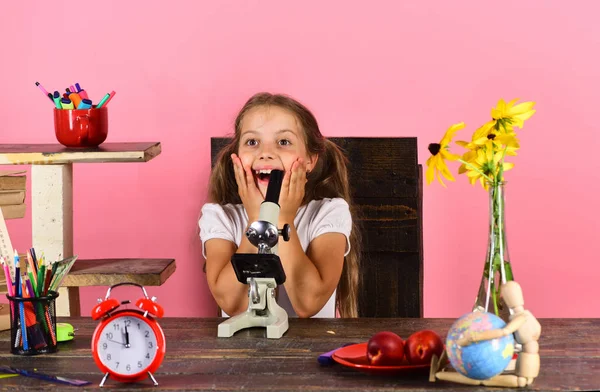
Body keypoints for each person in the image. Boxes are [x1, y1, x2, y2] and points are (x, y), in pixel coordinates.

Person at [199, 92, 361, 318]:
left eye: (283, 142)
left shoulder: (328, 213)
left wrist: (282, 219)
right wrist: (258, 219)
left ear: (310, 161)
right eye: (252, 142)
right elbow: (232, 304)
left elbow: (307, 303)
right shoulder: (219, 217)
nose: (265, 153)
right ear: (236, 156)